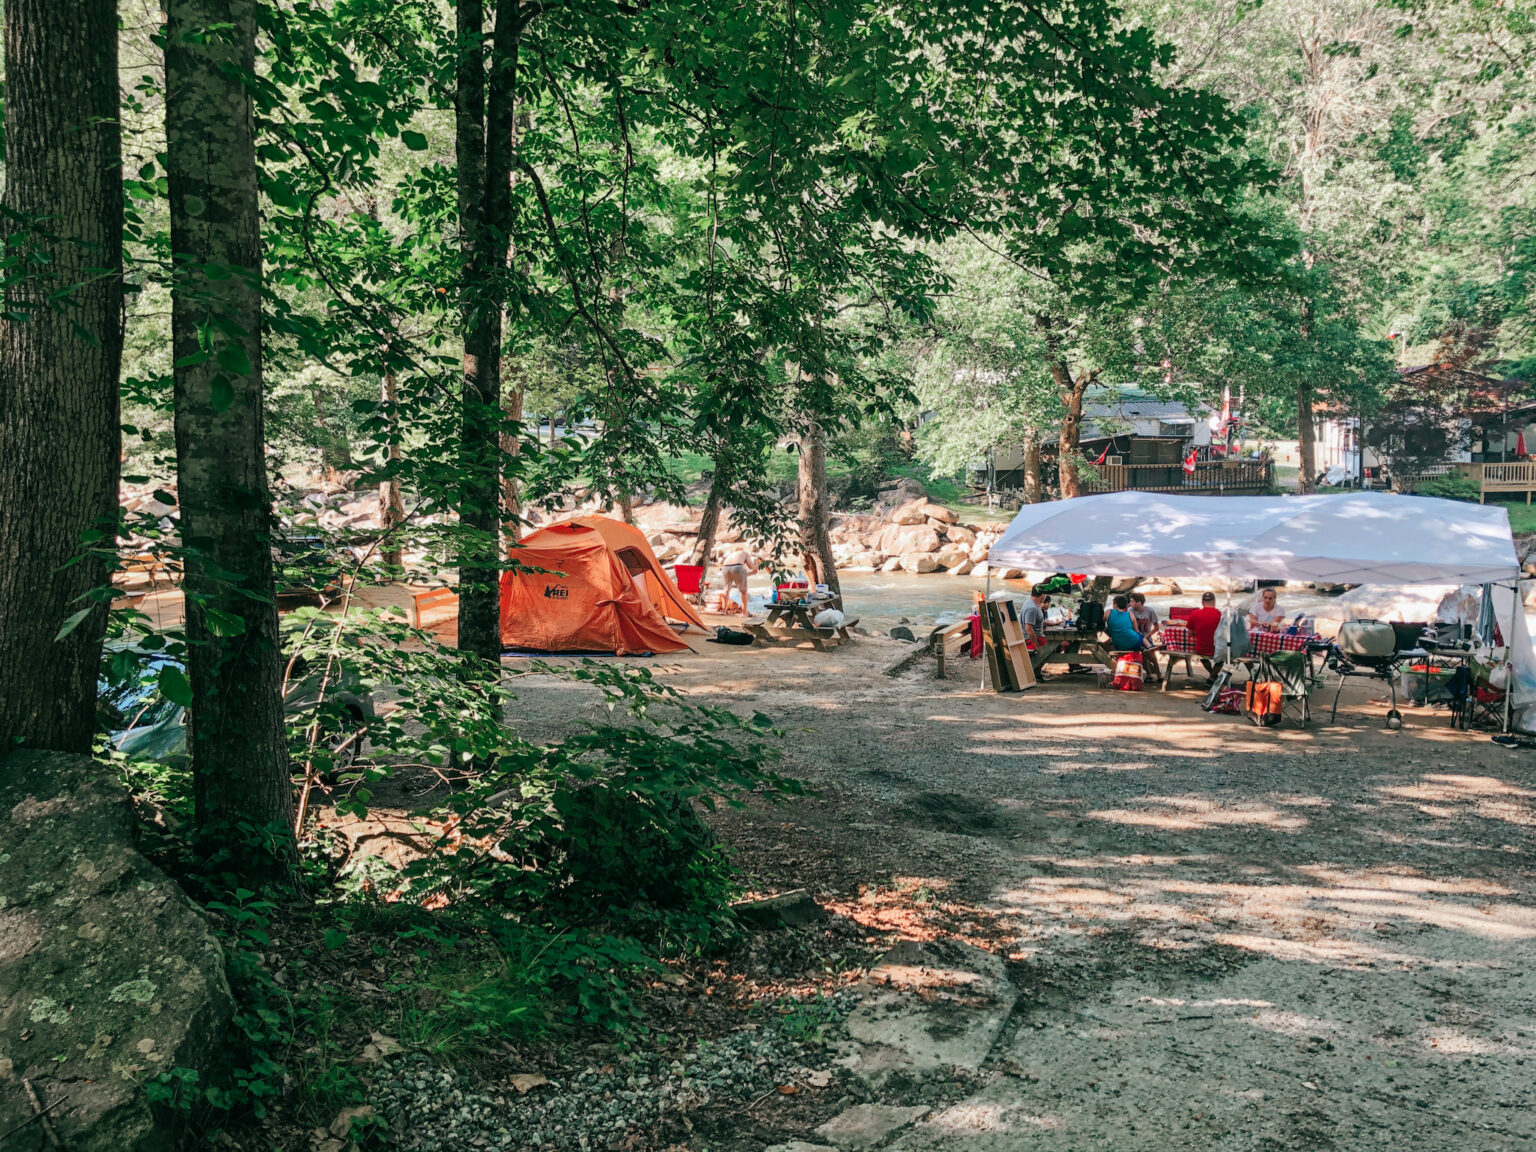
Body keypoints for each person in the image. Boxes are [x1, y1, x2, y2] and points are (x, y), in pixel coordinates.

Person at [1187, 591, 1223, 677]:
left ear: (1202, 602)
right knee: (1222, 658)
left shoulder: (1194, 614)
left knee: (1202, 656)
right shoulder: (1221, 615)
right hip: (1217, 649)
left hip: (1201, 649)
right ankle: (1213, 676)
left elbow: (1190, 633)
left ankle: (1212, 675)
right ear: (1214, 602)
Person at [720, 547, 756, 615]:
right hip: (737, 567)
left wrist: (752, 573)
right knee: (743, 591)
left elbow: (742, 575)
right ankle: (744, 612)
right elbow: (751, 566)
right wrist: (756, 568)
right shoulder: (745, 553)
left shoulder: (731, 554)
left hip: (725, 567)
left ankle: (724, 610)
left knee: (726, 588)